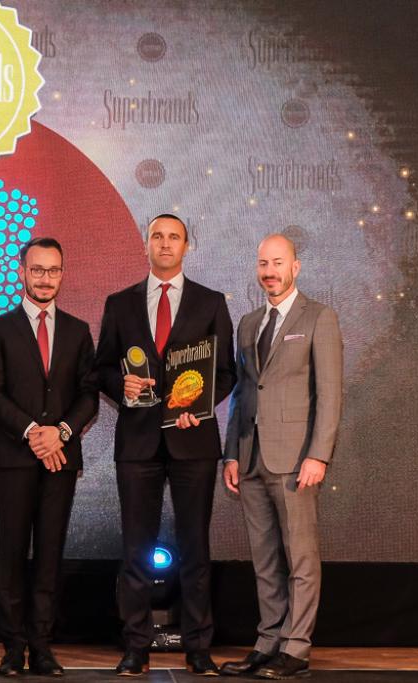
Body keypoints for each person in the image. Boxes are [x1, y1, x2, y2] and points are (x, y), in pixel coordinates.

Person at [94, 214, 237, 676]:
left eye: (174, 237)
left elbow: (227, 372)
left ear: (186, 246)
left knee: (195, 548)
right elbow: (102, 369)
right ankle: (136, 646)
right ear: (146, 244)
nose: (166, 244)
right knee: (136, 548)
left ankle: (198, 647)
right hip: (138, 443)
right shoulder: (120, 304)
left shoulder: (210, 302)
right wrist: (121, 387)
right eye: (157, 236)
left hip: (193, 441)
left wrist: (200, 403)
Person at [0, 237, 99, 677]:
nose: (46, 278)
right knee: (12, 554)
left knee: (49, 554)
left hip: (61, 458)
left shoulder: (78, 331)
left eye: (53, 270)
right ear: (22, 273)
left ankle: (42, 647)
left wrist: (59, 434)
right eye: (38, 270)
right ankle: (13, 648)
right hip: (14, 458)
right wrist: (32, 433)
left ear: (62, 274)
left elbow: (89, 395)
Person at [220, 234, 342, 680]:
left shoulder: (319, 317)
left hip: (295, 461)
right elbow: (242, 393)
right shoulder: (249, 323)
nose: (269, 272)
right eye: (263, 264)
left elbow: (330, 394)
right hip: (251, 460)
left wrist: (318, 455)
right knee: (266, 560)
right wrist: (231, 455)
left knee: (301, 559)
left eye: (277, 263)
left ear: (295, 267)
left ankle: (296, 648)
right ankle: (268, 642)